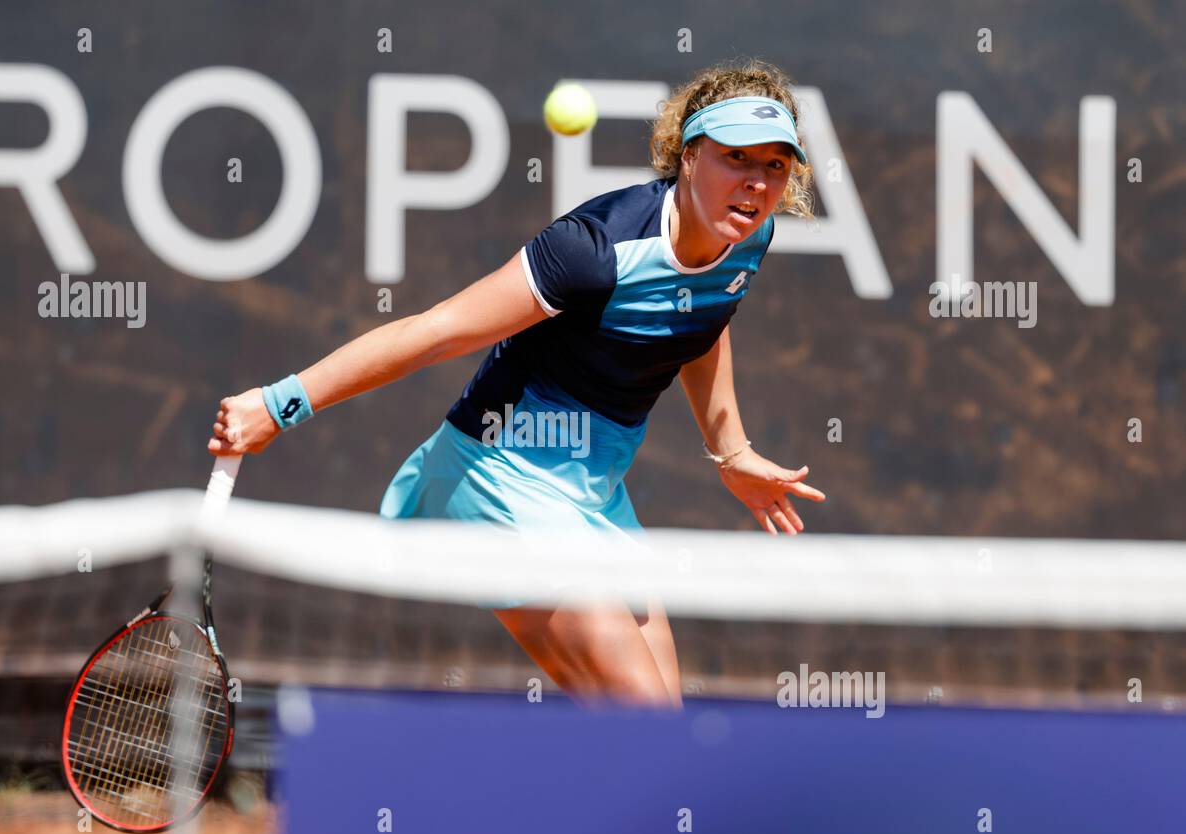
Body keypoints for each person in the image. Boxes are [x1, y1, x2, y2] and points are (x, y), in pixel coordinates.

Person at [207, 58, 826, 709]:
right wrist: (282, 403)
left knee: (659, 722)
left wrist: (730, 448)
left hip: (592, 491)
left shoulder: (748, 240)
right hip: (500, 475)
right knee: (644, 715)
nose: (756, 185)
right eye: (737, 158)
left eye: (775, 166)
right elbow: (435, 331)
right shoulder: (593, 251)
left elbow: (702, 318)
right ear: (690, 154)